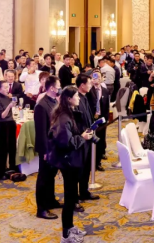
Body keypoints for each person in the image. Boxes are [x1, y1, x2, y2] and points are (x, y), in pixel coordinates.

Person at [47, 86, 92, 243]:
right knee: (69, 198)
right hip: (68, 162)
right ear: (69, 99)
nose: (79, 98)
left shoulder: (67, 114)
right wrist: (82, 138)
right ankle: (66, 235)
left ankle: (70, 226)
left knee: (72, 197)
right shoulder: (63, 117)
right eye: (76, 96)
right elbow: (65, 143)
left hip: (71, 160)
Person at [34, 75, 63, 219]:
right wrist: (45, 151)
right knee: (44, 177)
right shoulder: (41, 105)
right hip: (46, 147)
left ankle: (50, 200)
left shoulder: (54, 101)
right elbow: (41, 131)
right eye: (58, 86)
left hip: (54, 145)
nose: (60, 88)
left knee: (51, 175)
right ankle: (41, 209)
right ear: (52, 88)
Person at [73, 74, 100, 207]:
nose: (91, 85)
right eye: (89, 83)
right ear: (82, 85)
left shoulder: (85, 96)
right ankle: (75, 196)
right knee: (79, 168)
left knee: (87, 166)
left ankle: (84, 191)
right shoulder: (76, 99)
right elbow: (76, 121)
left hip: (87, 136)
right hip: (81, 138)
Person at [0, 80, 18, 180]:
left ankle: (12, 168)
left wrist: (13, 105)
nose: (7, 89)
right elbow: (2, 116)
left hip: (11, 122)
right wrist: (9, 106)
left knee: (12, 147)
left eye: (8, 87)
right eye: (5, 87)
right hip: (3, 125)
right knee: (2, 149)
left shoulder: (8, 97)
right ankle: (0, 172)